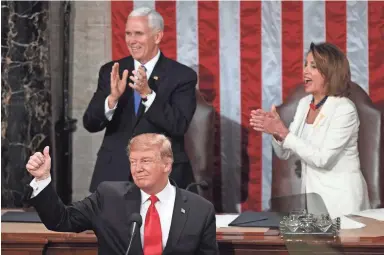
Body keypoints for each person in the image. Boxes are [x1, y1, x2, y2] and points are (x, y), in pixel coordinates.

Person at [25, 133, 219, 255]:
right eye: (133, 162)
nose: (138, 168)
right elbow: (61, 220)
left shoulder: (200, 210)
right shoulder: (108, 196)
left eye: (145, 161)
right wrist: (42, 179)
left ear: (167, 164)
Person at [249, 42, 370, 218]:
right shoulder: (305, 103)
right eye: (305, 64)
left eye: (313, 66)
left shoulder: (344, 109)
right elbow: (284, 153)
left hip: (343, 203)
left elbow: (322, 159)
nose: (305, 71)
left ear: (330, 72)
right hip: (315, 204)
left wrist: (284, 133)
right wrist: (276, 132)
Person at [83, 7, 197, 192]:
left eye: (138, 34)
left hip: (162, 177)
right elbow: (90, 123)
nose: (131, 41)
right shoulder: (112, 71)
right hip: (114, 175)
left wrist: (148, 94)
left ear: (157, 37)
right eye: (128, 33)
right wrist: (112, 100)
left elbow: (178, 125)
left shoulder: (182, 76)